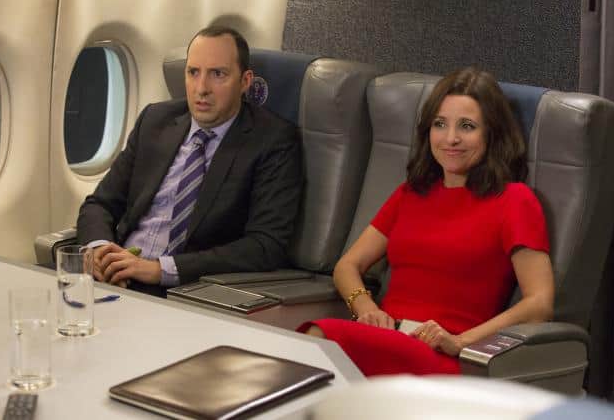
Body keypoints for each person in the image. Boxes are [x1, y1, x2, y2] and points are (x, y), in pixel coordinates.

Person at [300, 67, 554, 376]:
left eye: (467, 126)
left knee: (319, 339)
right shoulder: (411, 193)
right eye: (440, 124)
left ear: (492, 133)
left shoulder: (514, 200)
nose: (451, 138)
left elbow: (540, 303)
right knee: (310, 352)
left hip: (444, 354)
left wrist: (461, 341)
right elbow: (348, 266)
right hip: (388, 337)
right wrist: (366, 308)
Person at [77, 26, 303, 296]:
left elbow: (265, 245)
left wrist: (159, 270)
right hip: (115, 275)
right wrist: (100, 251)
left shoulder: (272, 141)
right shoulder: (155, 121)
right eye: (193, 72)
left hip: (182, 290)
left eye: (218, 74)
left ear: (245, 82)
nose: (201, 88)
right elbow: (100, 203)